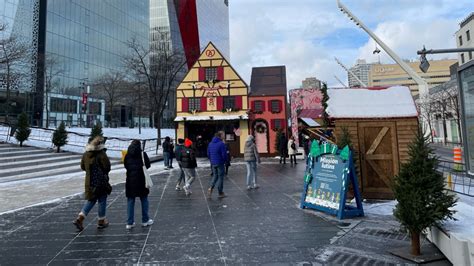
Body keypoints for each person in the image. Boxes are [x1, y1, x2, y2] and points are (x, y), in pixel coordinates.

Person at [73, 136, 111, 231]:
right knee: (102, 200)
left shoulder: (86, 154)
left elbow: (82, 166)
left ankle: (80, 218)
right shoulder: (101, 153)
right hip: (101, 182)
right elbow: (107, 167)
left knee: (91, 200)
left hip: (90, 182)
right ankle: (101, 222)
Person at [123, 140, 154, 229]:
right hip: (141, 180)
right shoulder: (142, 154)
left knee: (130, 201)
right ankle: (145, 220)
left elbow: (126, 166)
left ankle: (130, 222)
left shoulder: (127, 155)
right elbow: (148, 165)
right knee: (144, 199)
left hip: (130, 181)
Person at [207, 131, 228, 198]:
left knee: (215, 176)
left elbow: (208, 154)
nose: (224, 136)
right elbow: (224, 154)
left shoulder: (210, 144)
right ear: (220, 136)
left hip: (213, 163)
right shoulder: (221, 144)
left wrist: (212, 160)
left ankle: (210, 188)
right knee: (220, 177)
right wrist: (225, 161)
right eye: (223, 135)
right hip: (220, 163)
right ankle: (220, 192)